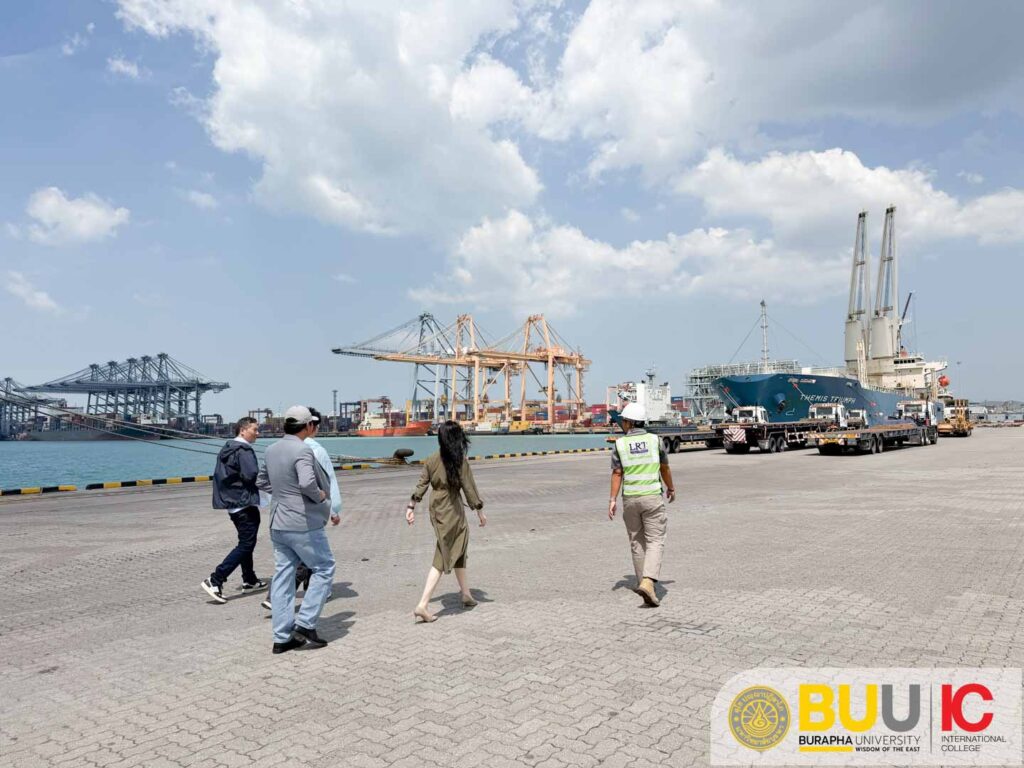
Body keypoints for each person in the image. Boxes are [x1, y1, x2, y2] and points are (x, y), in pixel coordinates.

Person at [257, 406, 339, 654]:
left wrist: (284, 494)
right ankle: (305, 623)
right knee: (324, 567)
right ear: (307, 426)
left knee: (283, 576)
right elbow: (306, 482)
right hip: (302, 523)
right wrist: (320, 495)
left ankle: (282, 637)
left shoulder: (271, 449)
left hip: (278, 522)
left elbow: (260, 481)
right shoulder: (303, 449)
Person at [406, 420, 486, 623]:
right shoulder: (460, 461)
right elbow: (469, 488)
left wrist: (411, 507)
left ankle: (466, 594)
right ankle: (423, 605)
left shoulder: (432, 459)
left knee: (459, 546)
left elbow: (421, 484)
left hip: (437, 506)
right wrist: (479, 511)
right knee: (444, 552)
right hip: (452, 507)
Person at [608, 403, 675, 607]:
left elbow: (617, 473)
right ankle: (648, 582)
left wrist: (612, 500)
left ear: (629, 422)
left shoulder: (620, 444)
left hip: (630, 499)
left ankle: (643, 583)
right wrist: (671, 488)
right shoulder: (655, 441)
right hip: (652, 498)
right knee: (655, 540)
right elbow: (664, 468)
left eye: (623, 420)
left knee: (636, 542)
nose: (622, 423)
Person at [202, 416, 266, 603]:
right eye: (255, 429)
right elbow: (251, 475)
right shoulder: (244, 450)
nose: (258, 433)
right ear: (243, 430)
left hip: (233, 503)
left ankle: (249, 580)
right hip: (244, 502)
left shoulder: (228, 448)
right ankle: (216, 579)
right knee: (246, 544)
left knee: (246, 542)